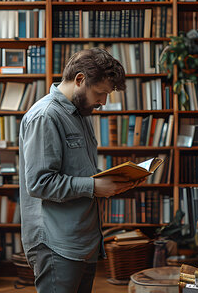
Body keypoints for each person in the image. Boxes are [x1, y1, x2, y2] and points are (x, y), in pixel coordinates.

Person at [19, 48, 139, 292]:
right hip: (56, 243)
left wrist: (112, 178)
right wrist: (95, 186)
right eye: (100, 93)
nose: (103, 102)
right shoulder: (45, 116)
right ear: (80, 80)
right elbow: (39, 183)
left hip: (83, 238)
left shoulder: (82, 112)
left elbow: (78, 169)